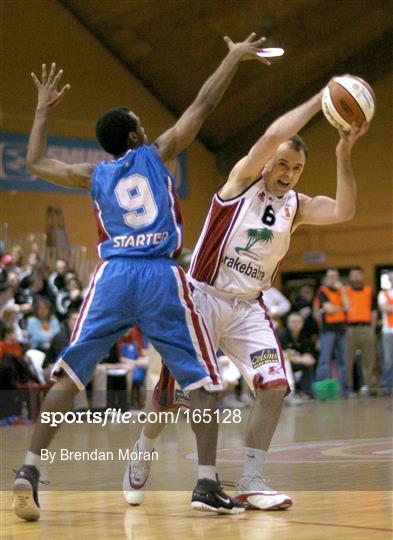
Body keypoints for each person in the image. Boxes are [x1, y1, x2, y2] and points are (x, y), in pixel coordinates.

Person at [12, 33, 269, 521]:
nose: (148, 130)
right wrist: (233, 57)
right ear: (134, 138)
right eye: (141, 126)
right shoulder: (157, 153)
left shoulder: (94, 175)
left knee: (70, 370)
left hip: (111, 275)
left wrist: (43, 108)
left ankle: (28, 469)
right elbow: (206, 102)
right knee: (201, 383)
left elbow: (34, 163)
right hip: (158, 275)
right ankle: (207, 483)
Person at [128, 84, 368, 510]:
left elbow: (345, 211)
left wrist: (343, 154)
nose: (287, 173)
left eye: (295, 168)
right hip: (199, 299)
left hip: (246, 308)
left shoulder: (297, 206)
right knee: (170, 398)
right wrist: (318, 101)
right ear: (266, 163)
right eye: (281, 164)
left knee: (274, 385)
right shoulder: (240, 182)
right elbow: (272, 136)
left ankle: (252, 479)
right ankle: (144, 445)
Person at [315, 269, 349, 394]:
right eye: (330, 276)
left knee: (343, 361)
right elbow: (328, 308)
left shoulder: (342, 291)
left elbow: (348, 306)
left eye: (335, 276)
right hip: (328, 330)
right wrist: (342, 308)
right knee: (325, 360)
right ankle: (322, 390)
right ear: (327, 278)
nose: (333, 279)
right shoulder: (322, 291)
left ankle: (343, 390)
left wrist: (343, 291)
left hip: (341, 330)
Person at [345, 268, 378, 395]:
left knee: (369, 359)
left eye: (358, 275)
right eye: (353, 275)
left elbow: (374, 311)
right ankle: (348, 387)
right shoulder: (345, 291)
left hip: (366, 328)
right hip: (349, 329)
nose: (356, 278)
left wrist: (372, 328)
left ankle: (369, 386)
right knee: (348, 359)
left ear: (362, 276)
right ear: (350, 277)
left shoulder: (369, 291)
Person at [279, 312, 316, 398]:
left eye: (298, 322)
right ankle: (290, 393)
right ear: (288, 323)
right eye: (293, 322)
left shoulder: (303, 336)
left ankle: (305, 392)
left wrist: (305, 358)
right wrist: (301, 359)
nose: (295, 324)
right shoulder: (282, 335)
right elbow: (281, 355)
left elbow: (308, 355)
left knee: (308, 365)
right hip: (282, 364)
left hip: (295, 362)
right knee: (288, 364)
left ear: (302, 323)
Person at [378, 270, 393, 396]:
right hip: (388, 331)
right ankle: (385, 385)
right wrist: (389, 308)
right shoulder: (383, 293)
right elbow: (385, 308)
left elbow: (389, 308)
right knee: (388, 360)